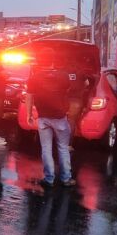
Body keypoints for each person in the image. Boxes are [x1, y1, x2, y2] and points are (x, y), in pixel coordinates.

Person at [25, 49, 76, 187]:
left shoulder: (34, 77)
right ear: (53, 60)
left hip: (43, 118)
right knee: (63, 147)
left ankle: (49, 179)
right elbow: (68, 92)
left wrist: (29, 114)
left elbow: (29, 96)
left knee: (46, 148)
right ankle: (66, 179)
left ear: (40, 60)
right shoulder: (63, 76)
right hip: (60, 118)